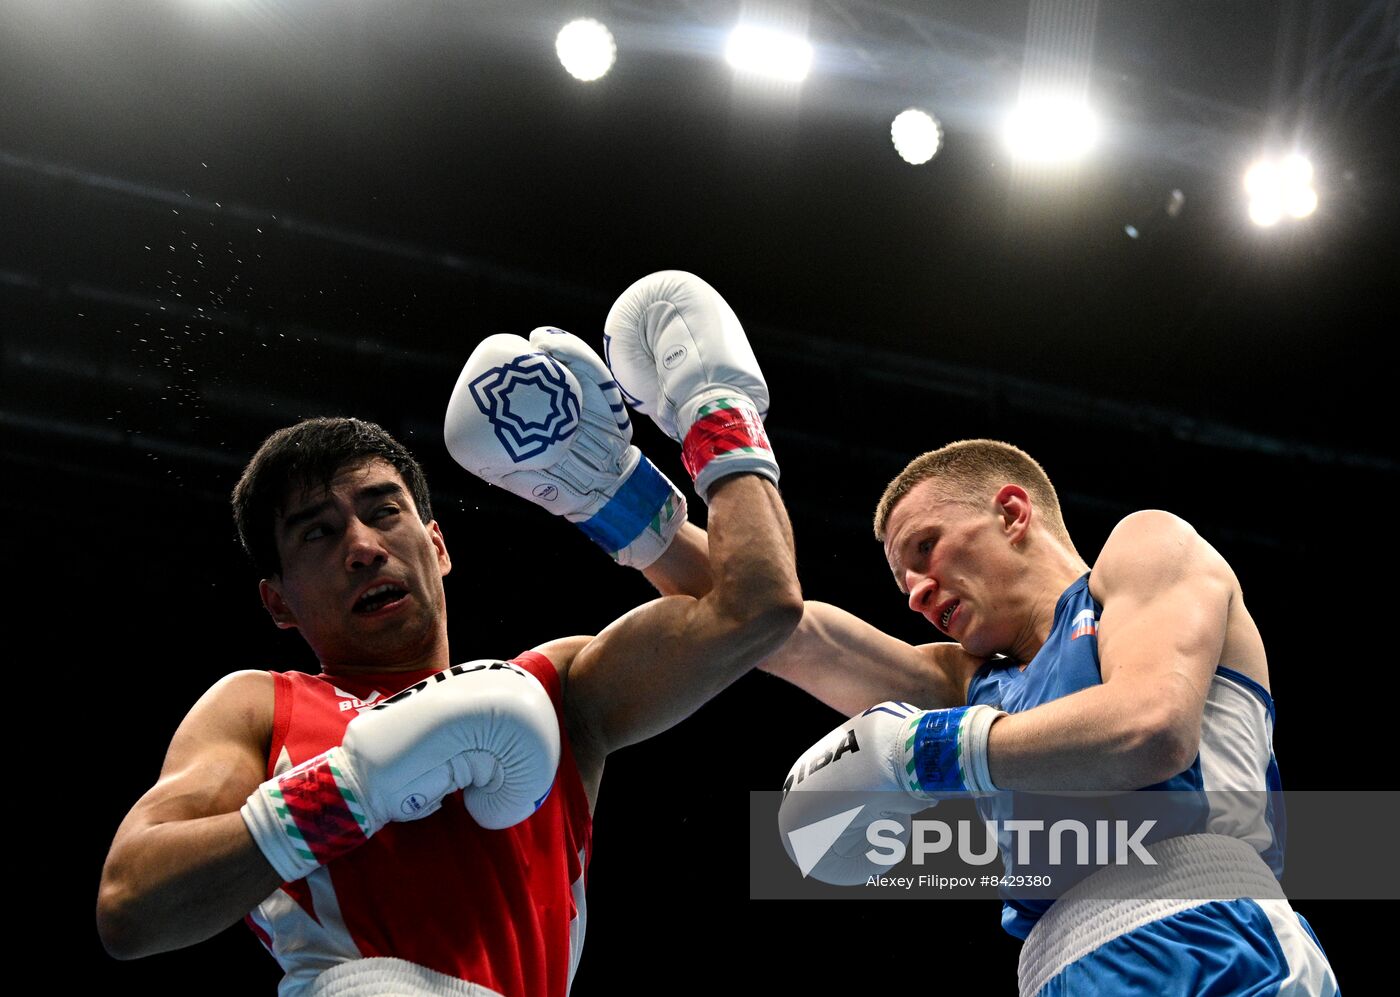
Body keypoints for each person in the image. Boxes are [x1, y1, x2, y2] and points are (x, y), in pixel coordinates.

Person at [96, 272, 802, 996]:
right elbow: (130, 907)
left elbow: (759, 608)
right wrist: (354, 788)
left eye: (384, 511)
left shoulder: (559, 693)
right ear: (278, 602)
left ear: (438, 546)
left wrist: (713, 416)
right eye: (319, 532)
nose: (364, 546)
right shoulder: (258, 707)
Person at [675, 439, 1338, 995]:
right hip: (1056, 968)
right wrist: (625, 505)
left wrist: (925, 751)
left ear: (1013, 513)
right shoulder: (969, 683)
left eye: (925, 548)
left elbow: (1152, 727)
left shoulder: (1146, 552)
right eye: (903, 583)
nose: (915, 593)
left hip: (1208, 938)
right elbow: (778, 627)